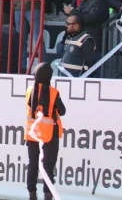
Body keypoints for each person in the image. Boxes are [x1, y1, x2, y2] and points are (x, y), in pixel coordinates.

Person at [25, 63, 65, 200]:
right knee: (48, 166)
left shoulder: (30, 90)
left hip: (32, 134)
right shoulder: (53, 92)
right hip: (49, 135)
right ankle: (48, 196)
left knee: (33, 164)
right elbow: (63, 111)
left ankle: (32, 194)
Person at [55, 12, 97, 77]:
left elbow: (89, 64)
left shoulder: (86, 40)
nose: (66, 26)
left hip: (76, 79)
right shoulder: (70, 37)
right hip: (64, 77)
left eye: (68, 24)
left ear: (76, 26)